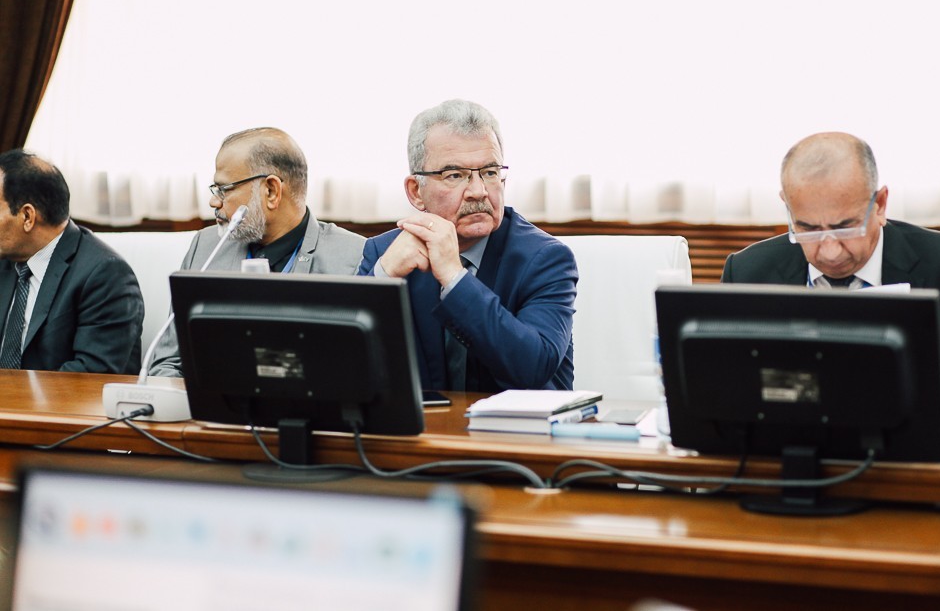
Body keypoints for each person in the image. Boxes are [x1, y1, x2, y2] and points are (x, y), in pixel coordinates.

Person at [722, 132, 940, 414]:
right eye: (808, 229)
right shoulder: (746, 272)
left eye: (845, 227)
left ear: (880, 204)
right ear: (788, 208)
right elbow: (721, 381)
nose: (830, 252)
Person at [358, 99, 577, 392]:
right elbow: (339, 361)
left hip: (516, 422)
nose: (478, 191)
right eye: (455, 175)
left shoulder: (545, 259)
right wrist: (382, 277)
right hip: (426, 421)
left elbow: (532, 368)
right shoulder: (385, 253)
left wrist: (454, 277)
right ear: (416, 191)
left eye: (489, 172)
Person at [148, 127, 365, 376]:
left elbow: (356, 371)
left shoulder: (353, 257)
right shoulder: (206, 246)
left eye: (224, 189)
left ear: (271, 191)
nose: (214, 201)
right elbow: (167, 363)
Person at [0, 149, 143, 373]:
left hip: (58, 396)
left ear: (27, 216)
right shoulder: (7, 259)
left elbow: (91, 374)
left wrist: (10, 392)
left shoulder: (106, 275)